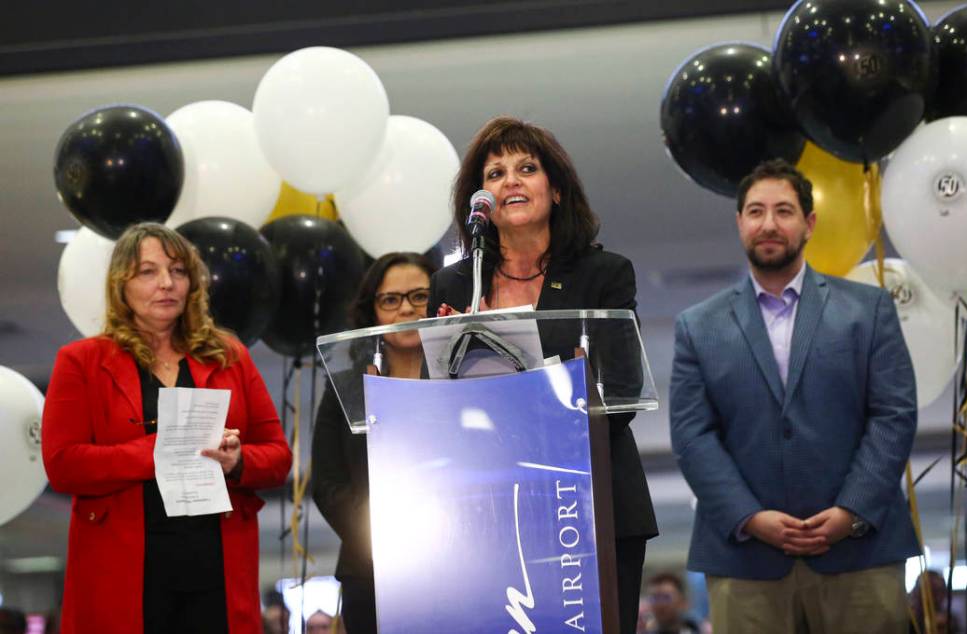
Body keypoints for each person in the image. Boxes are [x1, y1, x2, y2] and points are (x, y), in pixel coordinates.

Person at [427, 116, 658, 633]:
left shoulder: (605, 274)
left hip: (594, 501)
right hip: (494, 512)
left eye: (526, 168)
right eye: (495, 173)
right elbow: (435, 402)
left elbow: (621, 390)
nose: (510, 180)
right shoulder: (454, 282)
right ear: (478, 199)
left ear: (555, 190)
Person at [669, 159, 919, 633]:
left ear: (809, 223)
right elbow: (691, 435)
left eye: (783, 211)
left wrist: (851, 511)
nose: (768, 223)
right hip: (744, 556)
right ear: (739, 222)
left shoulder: (868, 310)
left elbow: (894, 415)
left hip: (860, 551)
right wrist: (750, 517)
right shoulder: (698, 326)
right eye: (756, 211)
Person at [42, 222, 292, 634]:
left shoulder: (230, 355)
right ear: (121, 284)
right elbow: (63, 464)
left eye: (178, 271)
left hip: (216, 565)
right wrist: (152, 452)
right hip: (123, 572)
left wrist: (239, 459)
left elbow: (278, 456)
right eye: (148, 272)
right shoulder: (80, 361)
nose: (166, 283)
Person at [312, 252, 436, 634]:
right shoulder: (345, 387)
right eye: (391, 300)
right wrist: (380, 532)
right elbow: (327, 485)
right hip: (370, 568)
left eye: (419, 296)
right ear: (373, 312)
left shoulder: (463, 376)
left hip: (459, 563)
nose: (406, 310)